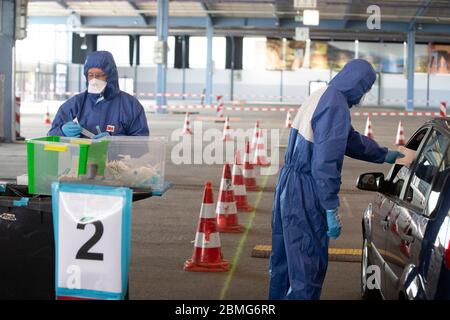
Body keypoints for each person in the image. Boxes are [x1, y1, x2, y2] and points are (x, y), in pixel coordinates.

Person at [268, 59, 404, 300]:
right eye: (365, 89)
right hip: (305, 191)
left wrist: (383, 154)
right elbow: (324, 162)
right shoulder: (335, 105)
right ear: (358, 84)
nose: (362, 96)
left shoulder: (323, 95)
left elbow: (347, 139)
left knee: (284, 266)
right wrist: (330, 206)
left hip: (287, 186)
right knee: (307, 269)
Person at [48, 51, 149, 138]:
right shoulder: (77, 102)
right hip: (84, 158)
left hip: (119, 159)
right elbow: (51, 134)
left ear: (110, 76)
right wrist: (62, 131)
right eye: (90, 75)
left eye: (99, 75)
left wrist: (115, 141)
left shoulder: (130, 105)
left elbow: (141, 141)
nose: (94, 80)